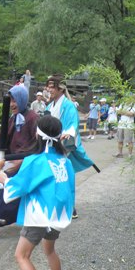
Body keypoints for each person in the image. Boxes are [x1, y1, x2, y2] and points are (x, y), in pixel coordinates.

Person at [0, 115, 75, 270]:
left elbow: (19, 187)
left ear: (38, 135)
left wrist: (4, 179)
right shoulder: (65, 161)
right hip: (58, 216)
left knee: (21, 255)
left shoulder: (35, 160)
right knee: (50, 250)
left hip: (39, 216)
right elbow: (71, 189)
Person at [0, 85, 39, 238]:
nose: (12, 104)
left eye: (15, 101)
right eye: (10, 101)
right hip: (14, 160)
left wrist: (23, 161)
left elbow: (38, 144)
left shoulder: (33, 118)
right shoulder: (14, 117)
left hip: (27, 162)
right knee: (11, 189)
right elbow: (4, 138)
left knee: (4, 188)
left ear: (22, 100)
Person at [45, 75, 94, 219]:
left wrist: (68, 133)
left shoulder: (68, 105)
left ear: (61, 89)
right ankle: (55, 204)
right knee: (52, 177)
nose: (49, 90)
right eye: (48, 87)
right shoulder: (49, 106)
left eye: (52, 87)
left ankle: (70, 207)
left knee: (64, 176)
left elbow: (73, 123)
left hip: (63, 146)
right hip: (50, 145)